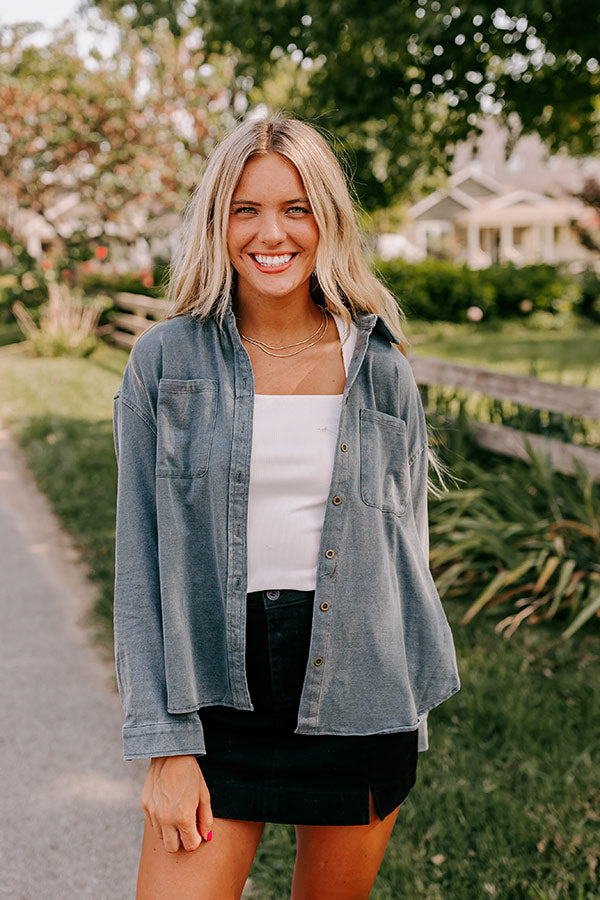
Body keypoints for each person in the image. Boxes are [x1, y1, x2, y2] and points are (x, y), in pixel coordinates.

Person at [112, 116, 460, 900]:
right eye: (247, 209)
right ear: (218, 222)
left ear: (326, 219)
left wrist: (408, 713)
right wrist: (166, 745)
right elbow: (138, 560)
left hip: (360, 702)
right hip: (214, 703)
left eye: (296, 207)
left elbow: (406, 552)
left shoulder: (381, 369)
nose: (272, 232)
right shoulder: (164, 363)